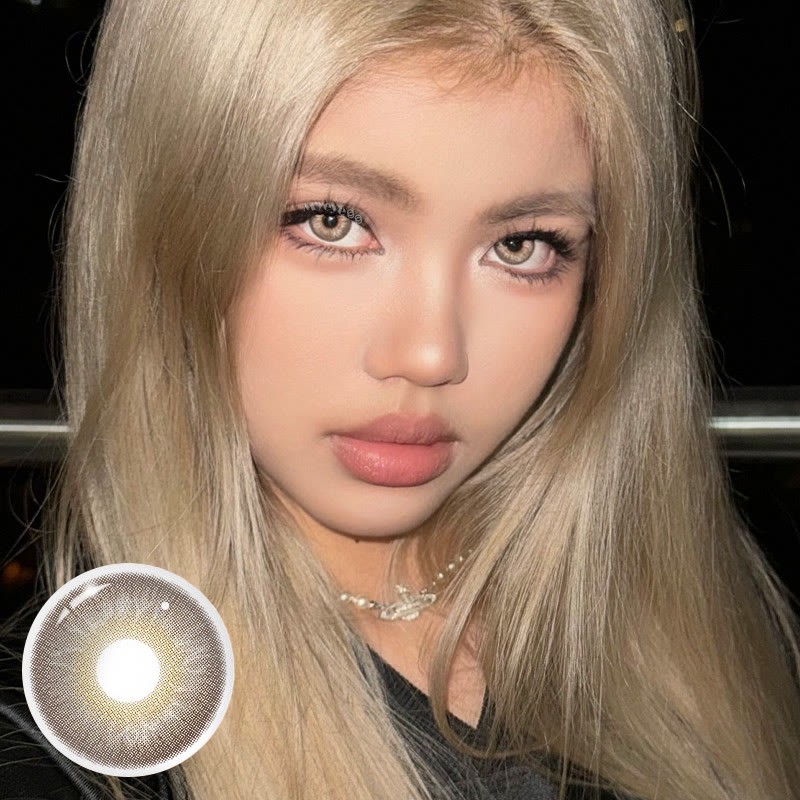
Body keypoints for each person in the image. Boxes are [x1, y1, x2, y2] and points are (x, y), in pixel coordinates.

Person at [1, 0, 799, 798]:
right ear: (165, 227)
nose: (430, 354)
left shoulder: (705, 633)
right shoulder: (62, 750)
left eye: (521, 245)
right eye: (331, 222)